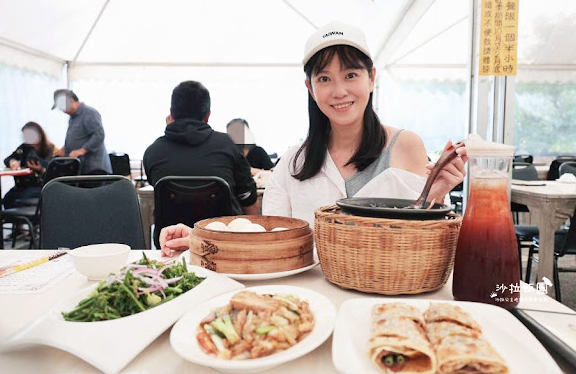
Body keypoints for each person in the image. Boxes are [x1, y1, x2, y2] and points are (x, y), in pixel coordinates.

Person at [159, 22, 466, 256]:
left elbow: (423, 242)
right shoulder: (293, 163)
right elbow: (268, 241)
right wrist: (200, 239)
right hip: (310, 303)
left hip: (385, 296)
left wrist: (436, 196)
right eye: (324, 79)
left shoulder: (404, 144)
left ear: (371, 78)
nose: (339, 91)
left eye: (350, 75)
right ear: (310, 87)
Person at [143, 80, 258, 229]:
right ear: (207, 115)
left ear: (171, 114)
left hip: (171, 244)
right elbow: (248, 200)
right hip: (222, 243)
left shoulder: (153, 152)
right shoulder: (227, 145)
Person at [52, 89, 112, 174]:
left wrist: (82, 150)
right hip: (81, 168)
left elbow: (99, 135)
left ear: (71, 100)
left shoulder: (89, 113)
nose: (62, 110)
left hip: (94, 168)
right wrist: (65, 147)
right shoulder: (73, 117)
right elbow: (78, 136)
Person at [3, 122, 58, 211]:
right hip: (22, 184)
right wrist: (12, 161)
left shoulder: (51, 150)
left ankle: (32, 220)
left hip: (41, 185)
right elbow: (8, 159)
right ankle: (17, 223)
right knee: (8, 198)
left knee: (23, 196)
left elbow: (55, 173)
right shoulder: (24, 147)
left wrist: (40, 169)